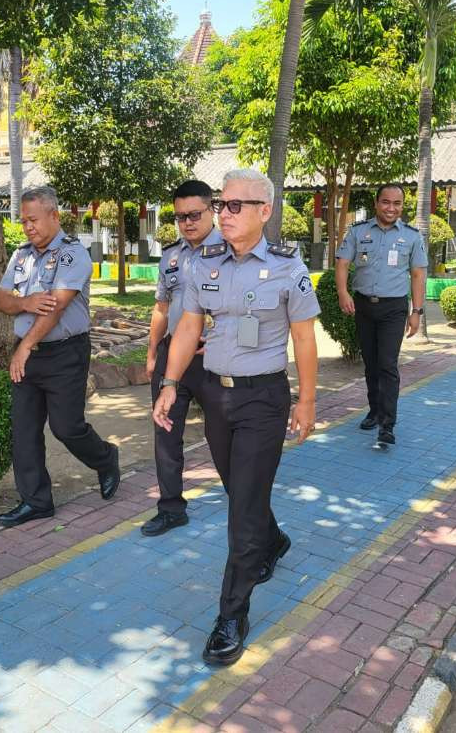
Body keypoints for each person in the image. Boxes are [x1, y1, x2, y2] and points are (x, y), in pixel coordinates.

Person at [153, 168, 320, 667]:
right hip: (217, 400)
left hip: (264, 399)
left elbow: (305, 339)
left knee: (241, 509)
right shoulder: (205, 264)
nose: (223, 214)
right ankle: (273, 539)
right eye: (221, 205)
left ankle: (231, 613)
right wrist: (168, 383)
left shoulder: (289, 268)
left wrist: (306, 401)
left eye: (234, 206)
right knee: (240, 491)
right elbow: (187, 328)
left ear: (264, 212)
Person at [0, 186, 120, 527]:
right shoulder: (20, 255)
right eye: (23, 221)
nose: (28, 227)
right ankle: (36, 501)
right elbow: (3, 300)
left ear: (54, 215)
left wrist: (23, 347)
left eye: (33, 219)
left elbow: (55, 307)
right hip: (28, 354)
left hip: (65, 354)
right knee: (24, 429)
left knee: (66, 427)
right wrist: (25, 302)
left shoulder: (72, 254)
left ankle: (106, 458)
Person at [142, 180, 225, 537]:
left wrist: (222, 338)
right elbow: (161, 309)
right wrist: (152, 353)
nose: (187, 222)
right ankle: (171, 507)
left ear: (212, 211)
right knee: (165, 433)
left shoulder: (230, 251)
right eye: (180, 217)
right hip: (173, 355)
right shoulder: (171, 256)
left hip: (213, 356)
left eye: (195, 214)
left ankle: (242, 498)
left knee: (222, 433)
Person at [334, 184, 428, 446]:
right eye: (386, 202)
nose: (391, 208)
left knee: (387, 364)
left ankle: (387, 424)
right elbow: (342, 263)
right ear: (376, 203)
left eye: (397, 203)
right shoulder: (358, 231)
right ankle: (374, 410)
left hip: (393, 308)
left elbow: (419, 274)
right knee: (371, 363)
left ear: (402, 206)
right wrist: (343, 293)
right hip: (364, 306)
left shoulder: (411, 237)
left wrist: (416, 311)